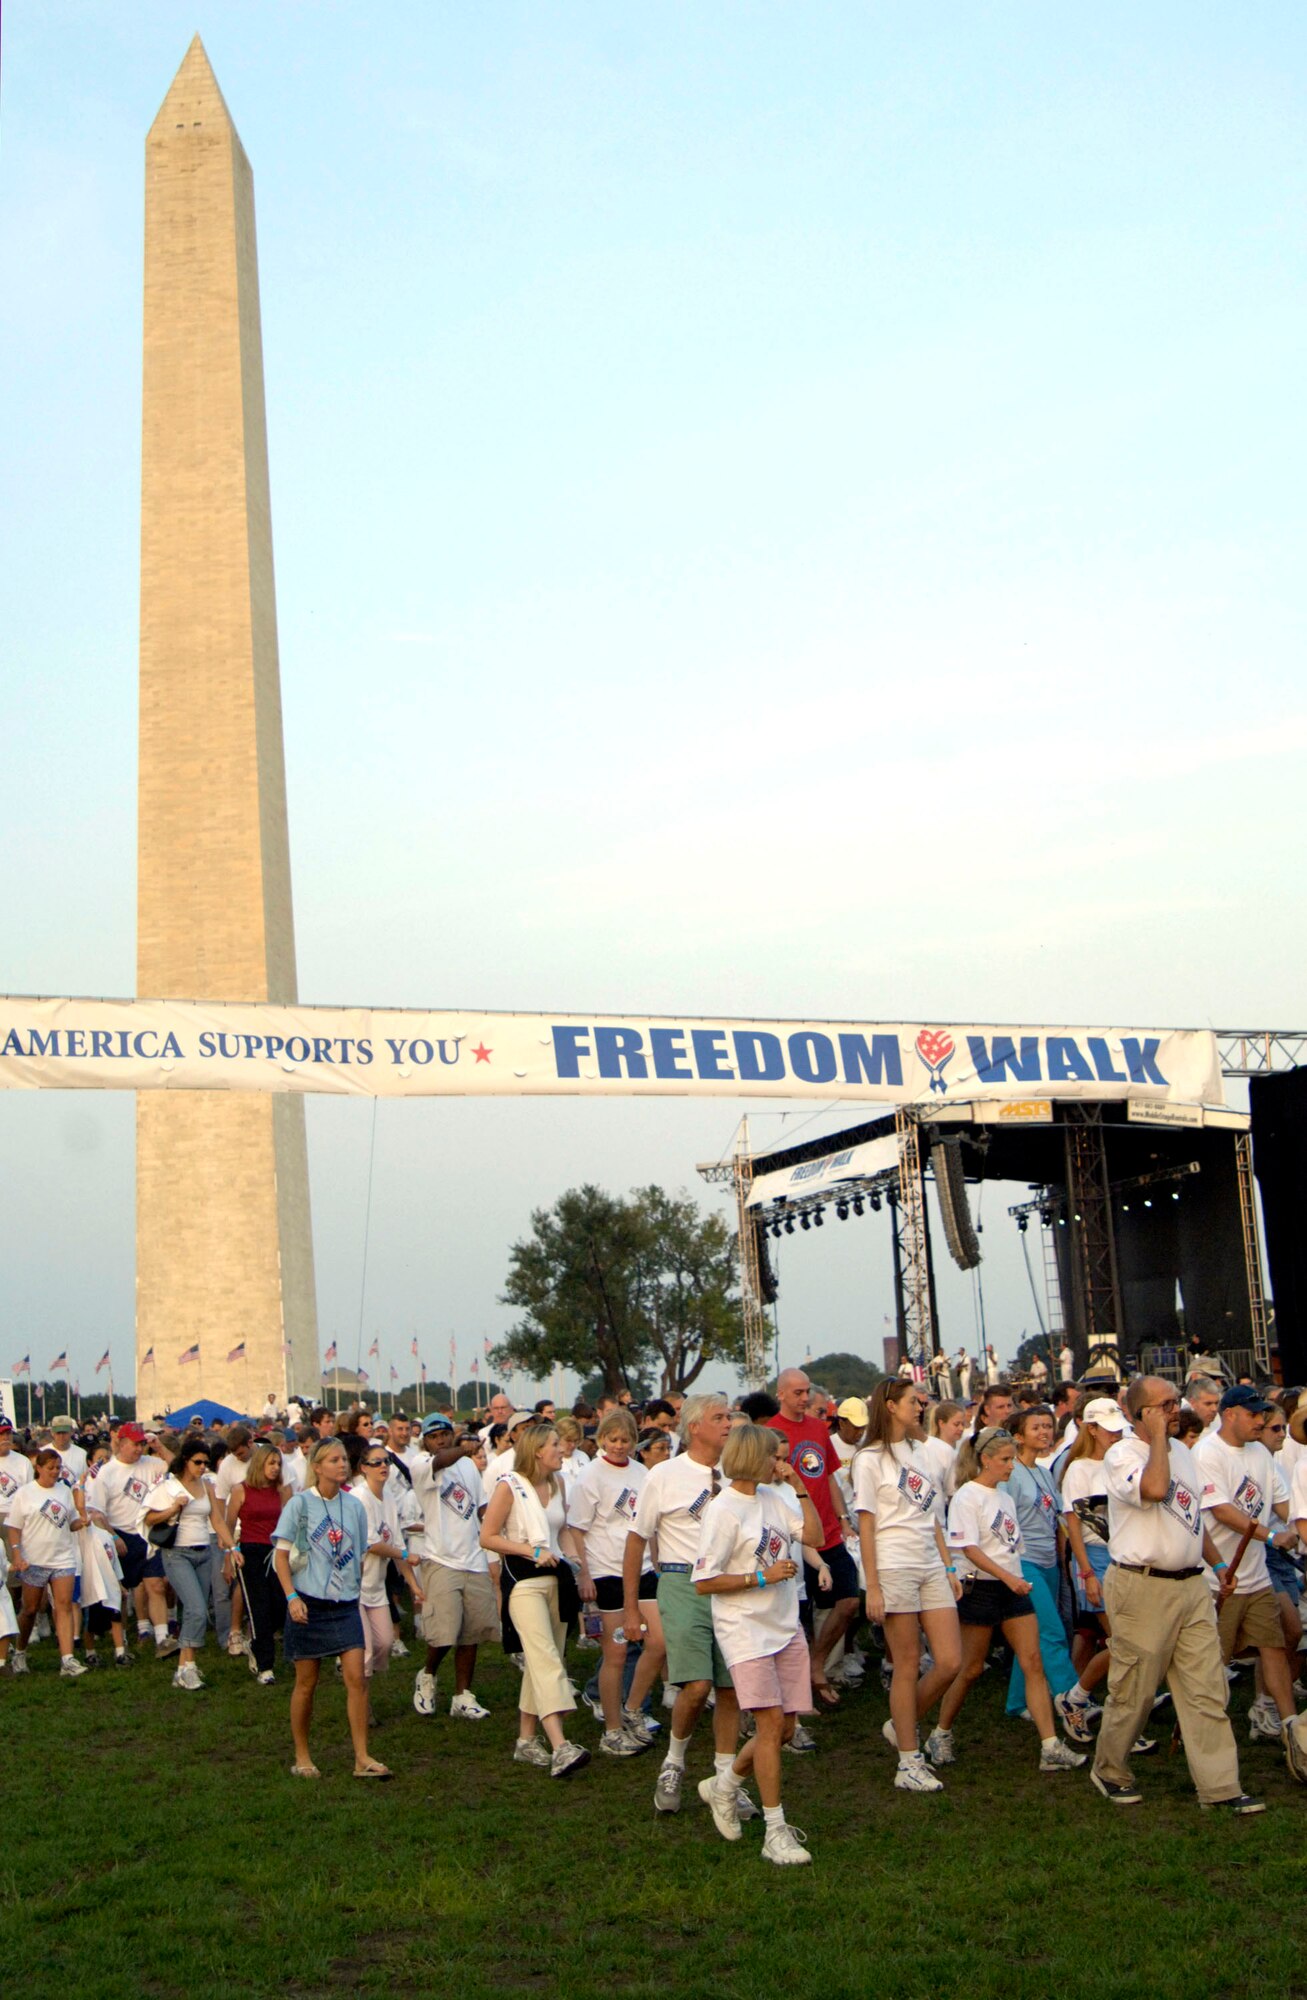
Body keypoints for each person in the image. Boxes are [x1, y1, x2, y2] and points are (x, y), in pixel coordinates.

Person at [1089, 1376, 1264, 1811]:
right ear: (1137, 1413)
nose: (1174, 1411)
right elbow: (1153, 1490)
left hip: (1189, 1585)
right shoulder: (1121, 1455)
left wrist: (1218, 1563)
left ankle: (1220, 1787)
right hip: (1140, 1584)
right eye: (1163, 1405)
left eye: (1174, 1403)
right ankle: (1110, 1768)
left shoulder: (1183, 1452)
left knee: (1207, 1689)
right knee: (1136, 1689)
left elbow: (1191, 1516)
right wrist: (1160, 1442)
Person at [693, 1423, 823, 1865]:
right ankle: (775, 1831)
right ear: (753, 1457)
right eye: (773, 1455)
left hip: (784, 1626)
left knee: (784, 1730)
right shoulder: (723, 1510)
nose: (779, 1461)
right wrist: (760, 1577)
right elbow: (705, 1580)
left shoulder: (773, 1497)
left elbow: (815, 1538)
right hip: (744, 1630)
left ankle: (724, 1786)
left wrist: (800, 1487)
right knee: (769, 1728)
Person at [623, 1392, 753, 1819]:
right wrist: (630, 1608)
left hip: (731, 1585)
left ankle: (724, 1779)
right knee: (696, 1685)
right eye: (719, 1417)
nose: (728, 1424)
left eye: (729, 1417)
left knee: (730, 1687)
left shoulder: (738, 1471)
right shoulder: (664, 1475)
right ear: (693, 1427)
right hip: (681, 1581)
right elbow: (637, 1538)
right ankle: (674, 1762)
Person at [935, 1428, 1085, 1773]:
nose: (1011, 1466)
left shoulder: (1003, 1496)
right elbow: (968, 1548)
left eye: (1012, 1459)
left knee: (1032, 1661)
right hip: (982, 1589)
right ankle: (941, 1731)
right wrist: (1008, 1578)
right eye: (1004, 1460)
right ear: (985, 1460)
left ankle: (1050, 1746)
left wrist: (1014, 1577)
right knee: (970, 1668)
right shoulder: (967, 1496)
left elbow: (1008, 1545)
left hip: (1012, 1586)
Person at [852, 1380, 962, 1792]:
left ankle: (901, 1724)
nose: (920, 1407)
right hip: (894, 1563)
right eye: (913, 1401)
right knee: (908, 1662)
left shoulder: (924, 1453)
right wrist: (874, 1585)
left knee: (950, 1661)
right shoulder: (869, 1459)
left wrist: (950, 1567)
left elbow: (933, 1515)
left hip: (931, 1563)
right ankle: (908, 1761)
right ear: (890, 1405)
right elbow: (866, 1524)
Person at [1194, 1385, 1306, 1779]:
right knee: (1213, 1662)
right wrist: (1272, 1536)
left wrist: (1300, 1526)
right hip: (1218, 1576)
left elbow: (1284, 1504)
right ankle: (1205, 1735)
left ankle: (1291, 1728)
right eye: (1254, 1414)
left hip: (1256, 1577)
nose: (1261, 1421)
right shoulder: (1206, 1453)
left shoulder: (1260, 1453)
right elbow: (1221, 1511)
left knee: (1274, 1647)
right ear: (1230, 1414)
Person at [272, 1439, 389, 1779]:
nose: (341, 1464)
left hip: (345, 1604)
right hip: (308, 1605)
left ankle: (362, 1757)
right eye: (333, 1459)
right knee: (306, 1683)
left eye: (343, 1459)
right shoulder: (299, 1505)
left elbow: (361, 1548)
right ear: (317, 1466)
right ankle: (302, 1755)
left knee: (357, 1679)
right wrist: (292, 1598)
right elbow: (281, 1555)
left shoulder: (353, 1506)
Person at [479, 1422, 590, 1777]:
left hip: (557, 1580)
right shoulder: (509, 1486)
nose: (562, 1449)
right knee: (544, 1658)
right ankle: (560, 1745)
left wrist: (578, 1566)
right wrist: (530, 1550)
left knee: (548, 1656)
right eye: (556, 1444)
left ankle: (526, 1741)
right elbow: (488, 1537)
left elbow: (564, 1531)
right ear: (538, 1450)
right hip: (523, 1581)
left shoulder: (557, 1483)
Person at [569, 1408, 665, 1755]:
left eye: (625, 1440)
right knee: (617, 1652)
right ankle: (611, 1730)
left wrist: (657, 1560)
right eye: (612, 1440)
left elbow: (649, 1524)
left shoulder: (643, 1473)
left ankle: (633, 1708)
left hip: (643, 1570)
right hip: (607, 1570)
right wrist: (584, 1572)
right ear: (601, 1440)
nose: (619, 1446)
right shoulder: (590, 1477)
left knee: (658, 1642)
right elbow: (577, 1528)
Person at [765, 1370, 859, 1704]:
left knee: (849, 1600)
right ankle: (800, 1681)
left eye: (807, 1392)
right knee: (799, 1615)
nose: (805, 1399)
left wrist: (843, 1518)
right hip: (794, 1534)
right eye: (798, 1393)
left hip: (828, 1532)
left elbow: (830, 1478)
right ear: (781, 1393)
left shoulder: (819, 1428)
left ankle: (817, 1665)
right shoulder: (768, 1432)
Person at [410, 1414, 499, 1721]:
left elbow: (481, 1506)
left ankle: (462, 1695)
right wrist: (464, 1448)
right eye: (434, 1436)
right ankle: (428, 1676)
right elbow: (441, 1461)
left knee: (471, 1633)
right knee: (444, 1633)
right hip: (441, 1558)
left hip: (473, 1557)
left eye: (446, 1434)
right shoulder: (421, 1464)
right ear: (425, 1441)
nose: (442, 1440)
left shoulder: (467, 1466)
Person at [1003, 1407, 1086, 1735]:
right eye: (1036, 1427)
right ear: (1019, 1436)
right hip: (1025, 1564)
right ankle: (1074, 1699)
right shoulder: (1012, 1475)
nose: (1045, 1432)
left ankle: (1017, 1702)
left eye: (1048, 1426)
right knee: (1052, 1632)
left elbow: (1057, 1520)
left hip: (1049, 1562)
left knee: (1033, 1637)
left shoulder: (1044, 1471)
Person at [143, 1437, 240, 1692]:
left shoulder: (207, 1486)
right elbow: (150, 1518)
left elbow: (217, 1520)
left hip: (204, 1552)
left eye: (205, 1463)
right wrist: (174, 1508)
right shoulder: (168, 1487)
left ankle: (185, 1668)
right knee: (197, 1609)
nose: (201, 1467)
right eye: (197, 1462)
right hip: (177, 1554)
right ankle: (187, 1667)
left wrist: (232, 1548)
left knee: (195, 1611)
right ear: (185, 1461)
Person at [5, 1447, 89, 1677]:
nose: (55, 1472)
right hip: (34, 1560)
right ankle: (20, 1652)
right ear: (39, 1468)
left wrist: (80, 1522)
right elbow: (14, 1527)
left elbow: (70, 1520)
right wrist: (17, 1553)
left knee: (63, 1606)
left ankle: (67, 1659)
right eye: (50, 1468)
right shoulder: (25, 1493)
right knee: (30, 1609)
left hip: (62, 1557)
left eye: (58, 1467)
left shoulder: (64, 1490)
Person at [350, 1440, 424, 1693]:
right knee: (366, 1649)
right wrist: (404, 1552)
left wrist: (414, 1585)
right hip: (354, 1585)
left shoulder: (389, 1498)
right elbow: (372, 1544)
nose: (383, 1466)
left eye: (387, 1461)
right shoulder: (358, 1498)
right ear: (363, 1468)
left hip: (376, 1586)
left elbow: (396, 1544)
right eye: (377, 1462)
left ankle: (358, 1681)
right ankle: (361, 1702)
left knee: (384, 1643)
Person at [226, 1440, 292, 1683]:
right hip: (250, 1551)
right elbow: (229, 1523)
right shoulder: (240, 1490)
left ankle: (257, 1644)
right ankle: (266, 1666)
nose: (275, 1468)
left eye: (278, 1463)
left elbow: (289, 1520)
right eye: (270, 1463)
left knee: (280, 1605)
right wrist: (229, 1554)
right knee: (259, 1608)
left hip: (276, 1551)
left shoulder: (282, 1491)